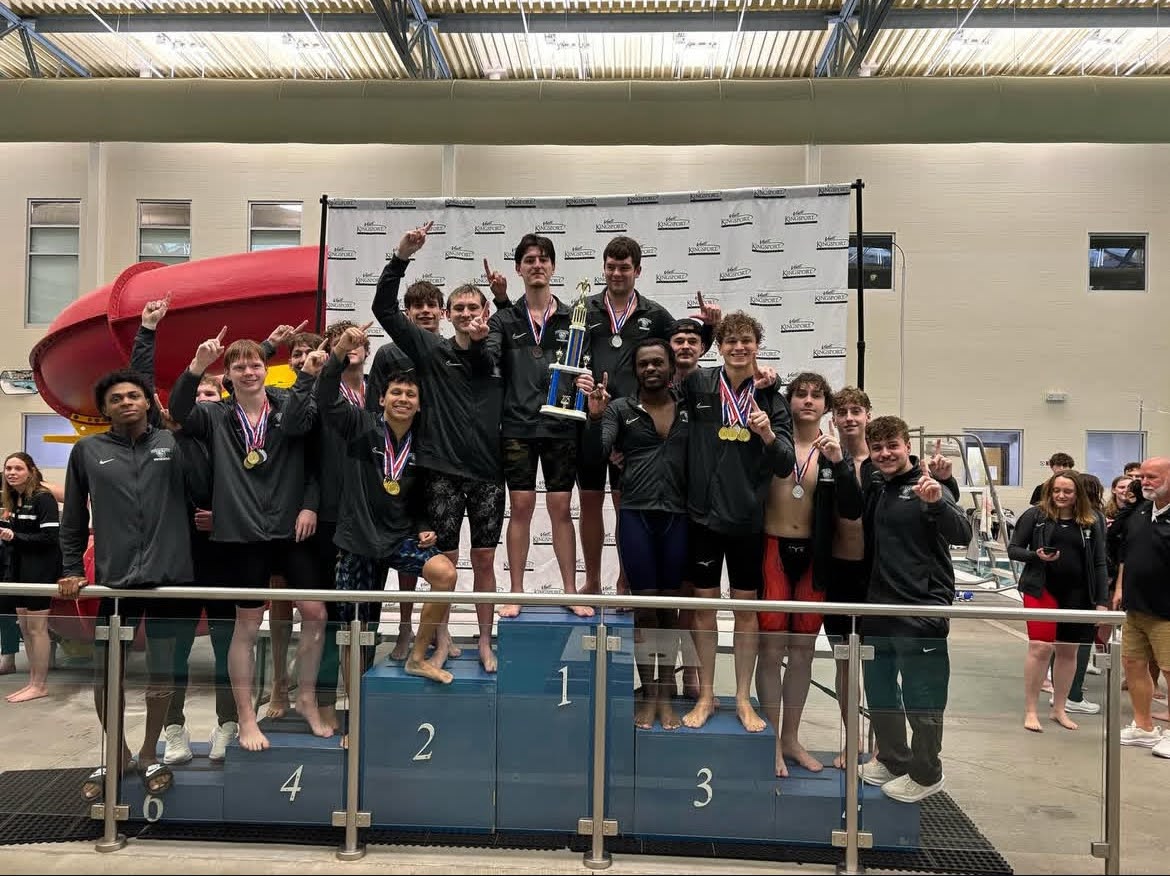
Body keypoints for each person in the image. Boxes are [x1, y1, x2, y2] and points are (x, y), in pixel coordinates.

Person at [170, 329, 325, 752]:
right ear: (228, 375)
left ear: (266, 369)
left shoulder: (288, 406)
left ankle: (307, 699)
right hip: (241, 534)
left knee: (315, 612)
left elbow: (312, 461)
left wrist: (310, 505)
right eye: (239, 366)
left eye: (255, 364)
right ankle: (245, 717)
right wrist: (196, 365)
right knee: (247, 625)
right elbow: (179, 409)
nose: (249, 371)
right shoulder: (215, 416)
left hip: (291, 528)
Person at [373, 223, 504, 672]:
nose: (468, 314)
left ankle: (486, 640)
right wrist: (401, 256)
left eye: (475, 307)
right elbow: (384, 310)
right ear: (447, 315)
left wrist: (488, 333)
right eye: (459, 309)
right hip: (441, 472)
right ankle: (443, 639)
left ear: (486, 310)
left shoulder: (496, 352)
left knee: (485, 561)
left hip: (488, 474)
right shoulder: (429, 349)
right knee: (444, 566)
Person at [59, 369, 193, 800]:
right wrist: (70, 567)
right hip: (115, 583)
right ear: (104, 409)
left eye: (134, 395)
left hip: (169, 578)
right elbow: (74, 518)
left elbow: (203, 489)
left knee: (163, 672)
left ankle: (149, 752)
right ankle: (115, 751)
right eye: (116, 398)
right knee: (107, 674)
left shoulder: (171, 445)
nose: (126, 402)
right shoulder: (87, 451)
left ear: (148, 402)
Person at [128, 295, 240, 764]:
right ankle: (172, 729)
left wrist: (224, 516)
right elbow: (137, 383)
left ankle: (227, 724)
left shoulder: (234, 437)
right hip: (170, 559)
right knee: (169, 652)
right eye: (195, 395)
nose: (202, 402)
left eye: (212, 395)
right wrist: (148, 331)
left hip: (221, 554)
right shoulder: (160, 437)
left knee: (225, 647)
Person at [314, 326, 459, 684]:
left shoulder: (422, 444)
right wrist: (337, 356)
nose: (403, 399)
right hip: (358, 541)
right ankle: (354, 712)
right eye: (396, 392)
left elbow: (421, 497)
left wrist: (425, 524)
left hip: (397, 539)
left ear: (419, 403)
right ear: (382, 398)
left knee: (446, 573)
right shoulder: (359, 427)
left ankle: (417, 656)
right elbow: (325, 397)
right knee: (356, 631)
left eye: (411, 394)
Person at [577, 236, 718, 605]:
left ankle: (627, 579)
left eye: (625, 267)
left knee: (629, 505)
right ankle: (592, 581)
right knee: (590, 501)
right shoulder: (585, 309)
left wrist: (712, 330)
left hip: (636, 432)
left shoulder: (655, 314)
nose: (617, 273)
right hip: (598, 419)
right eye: (611, 266)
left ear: (638, 271)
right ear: (603, 268)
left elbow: (686, 349)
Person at [678, 311, 796, 732]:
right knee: (705, 611)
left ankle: (743, 697)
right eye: (731, 341)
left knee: (746, 613)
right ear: (720, 346)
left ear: (757, 346)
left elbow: (785, 464)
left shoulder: (771, 398)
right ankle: (708, 693)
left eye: (747, 340)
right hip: (704, 517)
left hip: (748, 519)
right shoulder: (699, 384)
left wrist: (766, 433)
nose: (739, 347)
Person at [858, 416, 972, 803]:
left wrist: (940, 497)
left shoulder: (928, 486)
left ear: (908, 445)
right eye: (878, 448)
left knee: (923, 697)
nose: (886, 454)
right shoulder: (877, 484)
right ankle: (892, 759)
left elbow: (962, 533)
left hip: (921, 610)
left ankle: (926, 774)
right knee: (880, 690)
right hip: (879, 608)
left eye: (893, 445)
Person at [756, 373, 861, 776]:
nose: (808, 401)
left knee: (801, 653)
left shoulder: (834, 452)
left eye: (817, 396)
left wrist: (840, 463)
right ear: (790, 401)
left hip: (814, 558)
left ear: (826, 406)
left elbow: (851, 508)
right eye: (801, 394)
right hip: (772, 550)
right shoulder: (773, 444)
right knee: (771, 649)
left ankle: (791, 739)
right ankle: (770, 742)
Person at [485, 233, 594, 618]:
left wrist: (588, 383)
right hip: (517, 426)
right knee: (521, 506)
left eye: (544, 258)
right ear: (518, 268)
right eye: (529, 259)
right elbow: (488, 359)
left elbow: (588, 370)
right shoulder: (503, 318)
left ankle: (569, 588)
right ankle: (515, 589)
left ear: (553, 267)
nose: (537, 264)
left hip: (561, 426)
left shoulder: (574, 318)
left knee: (562, 507)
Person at [589, 338, 689, 730]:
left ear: (669, 368)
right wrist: (596, 419)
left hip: (679, 516)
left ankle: (666, 695)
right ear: (635, 369)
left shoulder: (688, 409)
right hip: (636, 517)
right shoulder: (620, 408)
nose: (651, 369)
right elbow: (598, 454)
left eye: (658, 363)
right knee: (645, 609)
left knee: (671, 609)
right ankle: (648, 694)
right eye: (644, 363)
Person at [1009, 471, 1108, 732]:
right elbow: (1013, 549)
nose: (1061, 496)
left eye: (1067, 491)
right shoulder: (1036, 516)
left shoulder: (1091, 520)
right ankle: (1031, 710)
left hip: (1077, 594)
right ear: (1049, 492)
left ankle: (1059, 709)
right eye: (1056, 491)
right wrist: (1036, 556)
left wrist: (1101, 601)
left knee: (1068, 651)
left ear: (1078, 494)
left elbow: (1099, 562)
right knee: (1040, 648)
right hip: (1041, 590)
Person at [1114, 457, 1170, 757]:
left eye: (1152, 477)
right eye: (1143, 477)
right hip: (1136, 608)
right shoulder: (1141, 511)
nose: (1144, 482)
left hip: (1166, 611)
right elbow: (1123, 548)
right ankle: (1144, 726)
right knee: (1133, 665)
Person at [0, 452, 61, 703]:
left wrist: (14, 537)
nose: (12, 473)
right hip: (19, 568)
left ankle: (40, 684)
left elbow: (49, 538)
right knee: (25, 627)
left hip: (40, 569)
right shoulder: (15, 498)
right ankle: (33, 681)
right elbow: (20, 531)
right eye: (8, 468)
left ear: (31, 471)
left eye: (18, 468)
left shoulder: (42, 498)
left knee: (37, 629)